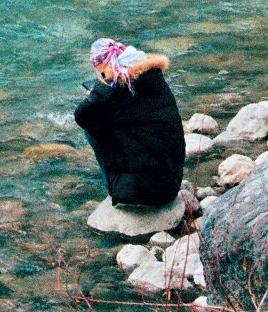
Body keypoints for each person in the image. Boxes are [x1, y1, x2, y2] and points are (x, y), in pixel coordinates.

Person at [74, 37, 187, 209]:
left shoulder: (117, 88)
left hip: (141, 194)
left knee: (92, 129)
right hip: (170, 185)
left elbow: (81, 115)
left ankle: (113, 185)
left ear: (103, 66)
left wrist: (99, 89)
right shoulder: (152, 78)